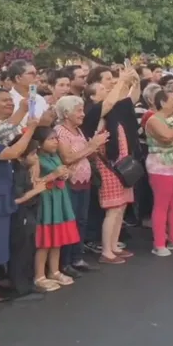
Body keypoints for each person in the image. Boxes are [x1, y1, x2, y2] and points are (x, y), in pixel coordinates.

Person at [81, 67, 141, 265]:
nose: (107, 91)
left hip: (120, 164)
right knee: (113, 208)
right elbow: (107, 103)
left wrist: (133, 81)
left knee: (121, 206)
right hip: (108, 166)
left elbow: (126, 99)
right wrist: (122, 80)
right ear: (92, 97)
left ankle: (114, 246)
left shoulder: (112, 112)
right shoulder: (92, 114)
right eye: (102, 89)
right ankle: (106, 251)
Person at [55, 96, 108, 276]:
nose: (82, 114)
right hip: (70, 183)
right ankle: (65, 262)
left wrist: (95, 148)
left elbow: (85, 154)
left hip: (84, 181)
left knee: (81, 221)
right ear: (66, 113)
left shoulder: (78, 130)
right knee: (70, 222)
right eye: (78, 110)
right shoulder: (60, 131)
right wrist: (91, 146)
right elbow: (67, 158)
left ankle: (77, 257)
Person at [0, 120, 38, 307]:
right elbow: (15, 151)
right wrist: (32, 128)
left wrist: (23, 109)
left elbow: (6, 128)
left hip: (1, 201)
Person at [144, 91, 173, 257]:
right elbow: (166, 136)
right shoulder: (153, 120)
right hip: (161, 166)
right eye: (172, 100)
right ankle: (159, 243)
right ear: (162, 102)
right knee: (162, 204)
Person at [33, 126, 80, 292]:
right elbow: (34, 182)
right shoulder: (36, 159)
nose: (55, 142)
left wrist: (66, 174)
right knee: (45, 241)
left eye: (56, 138)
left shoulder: (56, 157)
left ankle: (54, 271)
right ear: (39, 143)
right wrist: (54, 175)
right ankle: (39, 275)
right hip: (46, 200)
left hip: (59, 198)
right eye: (50, 139)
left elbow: (61, 173)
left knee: (57, 238)